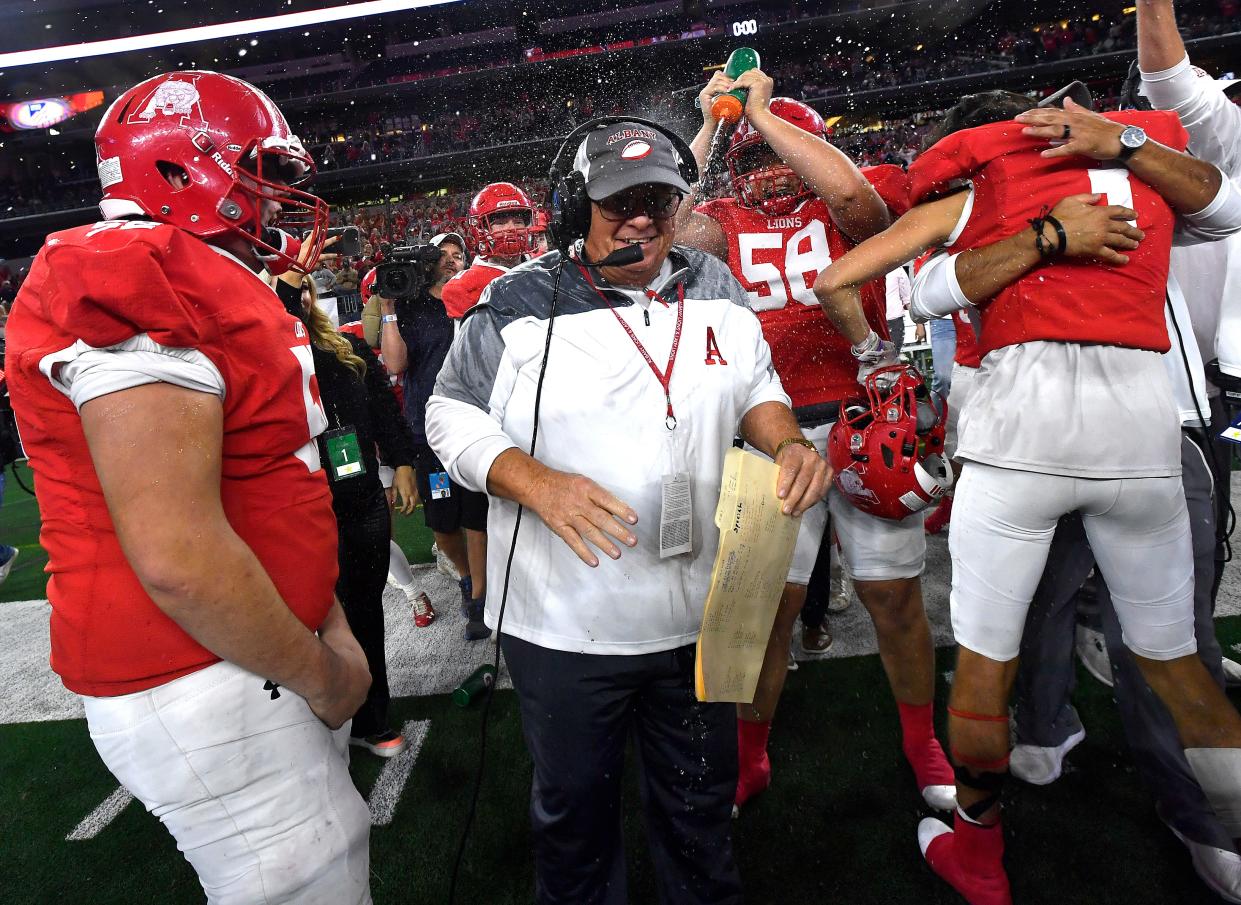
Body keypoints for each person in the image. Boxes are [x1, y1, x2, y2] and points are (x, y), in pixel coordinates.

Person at [815, 88, 1241, 905]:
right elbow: (1223, 207)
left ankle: (980, 856)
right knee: (1183, 671)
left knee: (984, 668)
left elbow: (869, 282)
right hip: (1146, 440)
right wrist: (1119, 143)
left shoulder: (974, 196)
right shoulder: (1146, 175)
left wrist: (1032, 241)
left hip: (1014, 445)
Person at [426, 117, 827, 905]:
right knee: (575, 820)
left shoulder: (716, 285)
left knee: (699, 813)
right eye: (619, 201)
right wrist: (533, 480)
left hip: (699, 615)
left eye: (659, 199)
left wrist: (783, 442)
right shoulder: (513, 304)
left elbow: (757, 388)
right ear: (577, 207)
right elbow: (448, 414)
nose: (641, 217)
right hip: (566, 628)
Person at [5, 71, 373, 903]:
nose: (280, 199)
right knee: (303, 884)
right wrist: (323, 672)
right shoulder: (133, 271)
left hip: (244, 656)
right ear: (180, 168)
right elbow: (177, 554)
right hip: (201, 669)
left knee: (330, 861)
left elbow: (277, 482)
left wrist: (326, 616)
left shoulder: (191, 271)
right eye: (262, 171)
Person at [677, 67, 956, 814]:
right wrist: (711, 123)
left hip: (867, 421)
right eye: (754, 157)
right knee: (762, 608)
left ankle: (919, 737)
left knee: (893, 597)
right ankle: (749, 756)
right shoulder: (723, 219)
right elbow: (670, 227)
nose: (767, 172)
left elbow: (849, 203)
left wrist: (763, 117)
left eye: (778, 153)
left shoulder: (857, 189)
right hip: (767, 432)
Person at [272, 258, 420, 757]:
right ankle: (310, 721)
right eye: (289, 294)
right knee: (298, 617)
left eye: (305, 291)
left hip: (356, 501)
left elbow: (383, 408)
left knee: (363, 612)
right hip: (292, 508)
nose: (303, 300)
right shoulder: (263, 355)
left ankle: (371, 719)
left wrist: (401, 461)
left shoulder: (348, 348)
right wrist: (283, 304)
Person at [377, 232, 493, 639]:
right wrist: (389, 308)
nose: (450, 260)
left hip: (475, 422)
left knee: (477, 514)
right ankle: (465, 575)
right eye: (441, 255)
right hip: (427, 431)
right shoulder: (411, 305)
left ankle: (479, 596)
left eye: (456, 254)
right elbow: (395, 363)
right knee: (443, 520)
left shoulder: (480, 298)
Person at [441, 181, 535, 319]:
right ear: (481, 230)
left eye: (518, 222)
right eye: (500, 223)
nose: (511, 228)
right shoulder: (464, 287)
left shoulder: (543, 268)